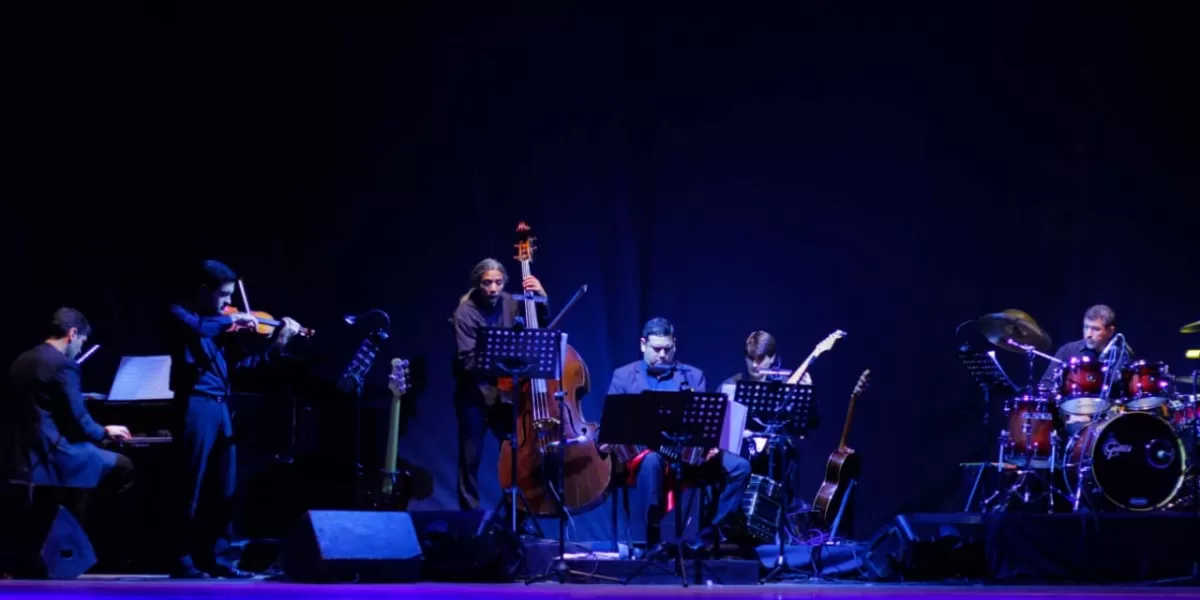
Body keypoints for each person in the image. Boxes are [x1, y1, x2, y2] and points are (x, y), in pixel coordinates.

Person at [166, 260, 301, 579]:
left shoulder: (224, 329)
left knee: (223, 487)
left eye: (230, 296)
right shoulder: (179, 313)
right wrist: (234, 320)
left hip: (221, 406)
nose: (229, 303)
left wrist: (278, 343)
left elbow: (243, 368)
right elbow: (201, 328)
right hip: (194, 405)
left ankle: (219, 558)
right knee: (191, 486)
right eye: (223, 296)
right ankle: (181, 557)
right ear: (203, 291)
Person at [604, 317, 751, 552]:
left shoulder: (693, 376)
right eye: (656, 349)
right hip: (646, 451)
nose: (662, 355)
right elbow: (614, 423)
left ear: (674, 345)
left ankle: (710, 532)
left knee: (740, 467)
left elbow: (704, 422)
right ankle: (653, 539)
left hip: (686, 452)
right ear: (643, 344)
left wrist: (709, 442)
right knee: (652, 462)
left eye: (667, 349)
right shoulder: (624, 376)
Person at [5, 308, 134, 510]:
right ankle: (91, 529)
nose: (81, 349)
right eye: (82, 341)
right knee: (123, 466)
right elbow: (80, 420)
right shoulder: (64, 365)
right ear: (72, 333)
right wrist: (105, 431)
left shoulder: (21, 360)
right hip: (55, 455)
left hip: (20, 456)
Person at [451, 258, 548, 510]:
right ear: (477, 284)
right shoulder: (465, 312)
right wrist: (507, 362)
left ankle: (517, 517)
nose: (493, 288)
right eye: (487, 283)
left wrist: (541, 299)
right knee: (470, 459)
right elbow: (468, 360)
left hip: (506, 395)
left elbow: (539, 327)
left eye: (498, 282)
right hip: (474, 394)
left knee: (518, 456)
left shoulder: (512, 302)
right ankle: (470, 518)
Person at [719, 330, 812, 513]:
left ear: (772, 358)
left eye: (761, 359)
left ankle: (783, 516)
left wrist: (806, 397)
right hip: (741, 451)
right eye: (750, 358)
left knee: (788, 452)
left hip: (772, 451)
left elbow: (802, 425)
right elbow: (722, 430)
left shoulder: (783, 385)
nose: (754, 364)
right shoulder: (731, 384)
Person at [1038, 304, 1133, 387]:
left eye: (1095, 329)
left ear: (1110, 331)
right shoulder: (1068, 351)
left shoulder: (1120, 357)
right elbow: (1046, 384)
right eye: (1086, 327)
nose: (1088, 334)